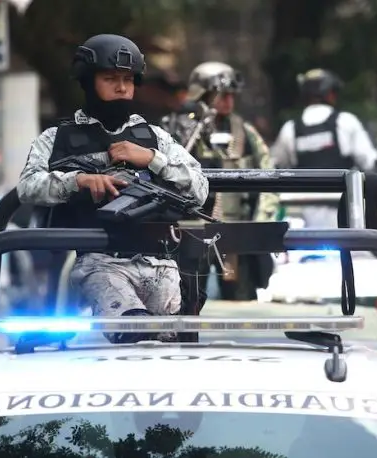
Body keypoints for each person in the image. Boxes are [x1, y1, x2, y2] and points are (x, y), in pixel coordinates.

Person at [16, 34, 209, 343]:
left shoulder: (155, 137)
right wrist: (78, 181)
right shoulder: (56, 138)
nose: (122, 88)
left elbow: (199, 188)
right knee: (133, 332)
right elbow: (27, 187)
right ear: (88, 81)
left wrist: (152, 159)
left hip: (160, 262)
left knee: (173, 345)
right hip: (101, 261)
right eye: (110, 79)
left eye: (128, 80)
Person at [181, 61, 278, 301]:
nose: (228, 101)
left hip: (235, 235)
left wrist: (261, 222)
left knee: (238, 298)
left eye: (231, 95)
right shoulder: (181, 130)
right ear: (203, 95)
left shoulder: (244, 131)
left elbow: (269, 175)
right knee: (187, 299)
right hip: (193, 232)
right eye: (221, 95)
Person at [271, 68, 377, 171]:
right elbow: (369, 161)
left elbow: (274, 165)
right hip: (342, 191)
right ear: (331, 95)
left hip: (303, 191)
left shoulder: (289, 128)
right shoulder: (346, 121)